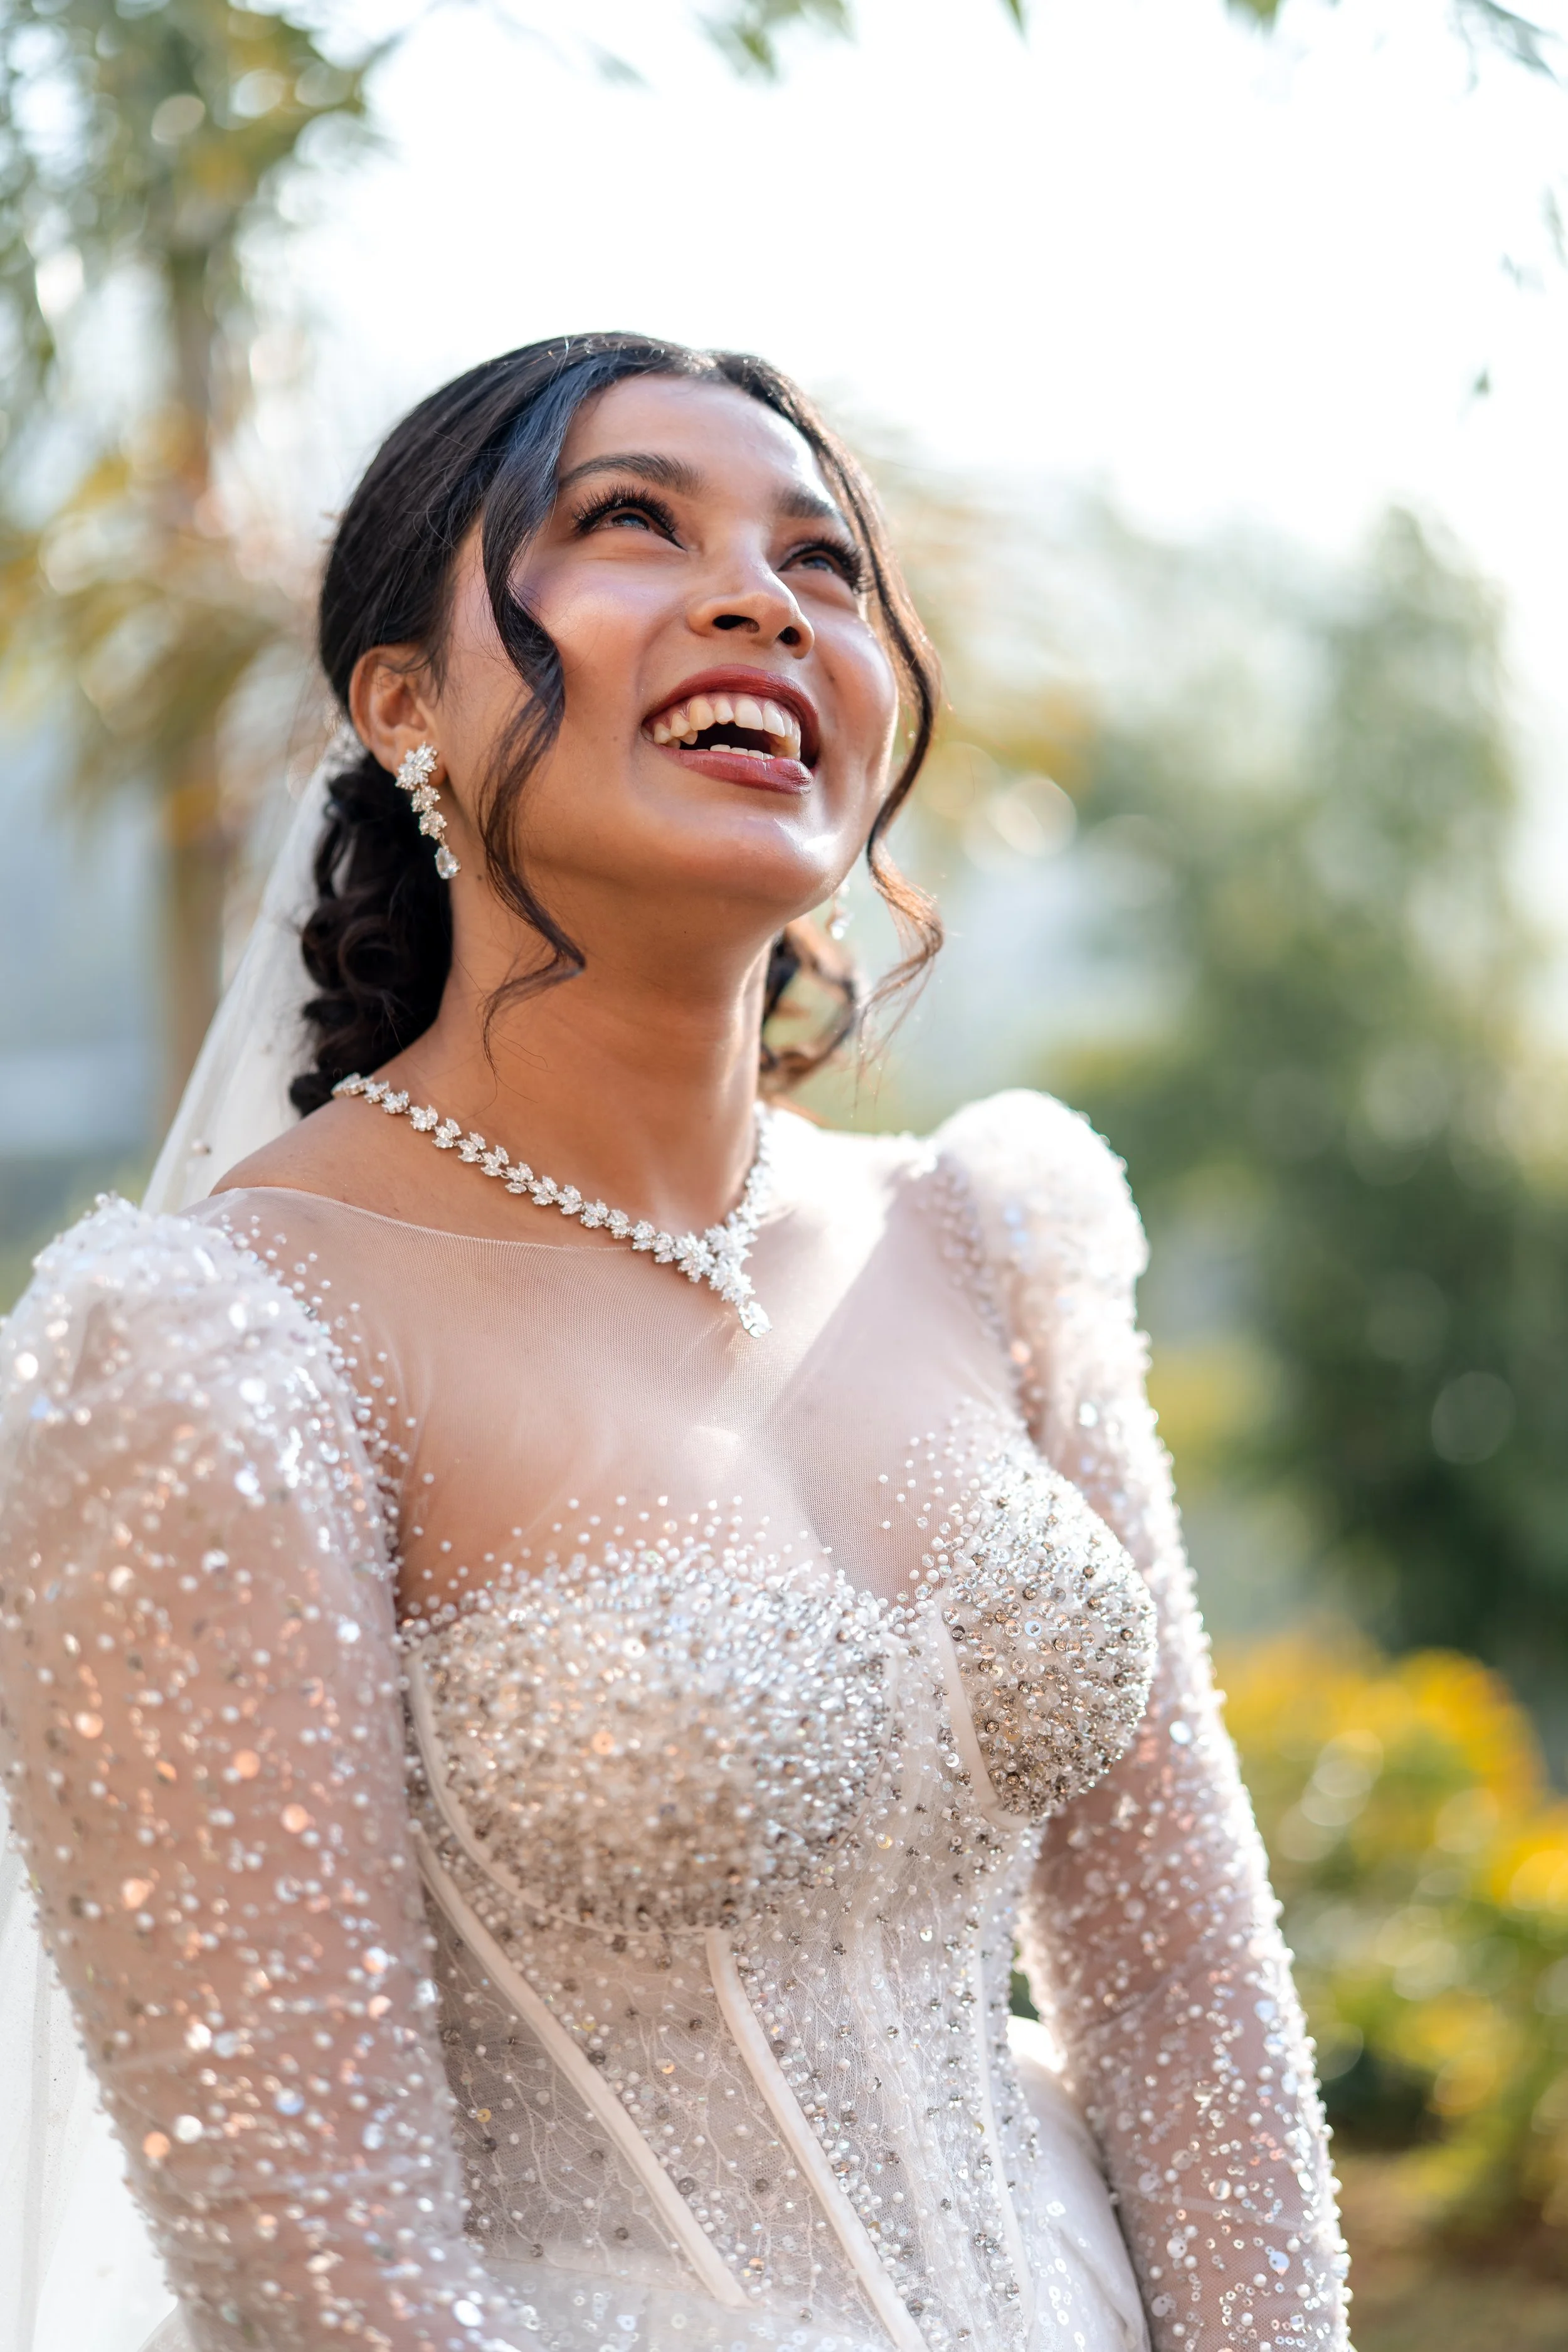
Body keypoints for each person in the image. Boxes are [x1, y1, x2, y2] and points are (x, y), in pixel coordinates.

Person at [0, 334, 1351, 2352]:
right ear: (400, 702)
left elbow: (1180, 1991)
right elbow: (319, 2261)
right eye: (630, 520)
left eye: (821, 563)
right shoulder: (215, 1345)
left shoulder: (992, 1235)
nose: (761, 601)